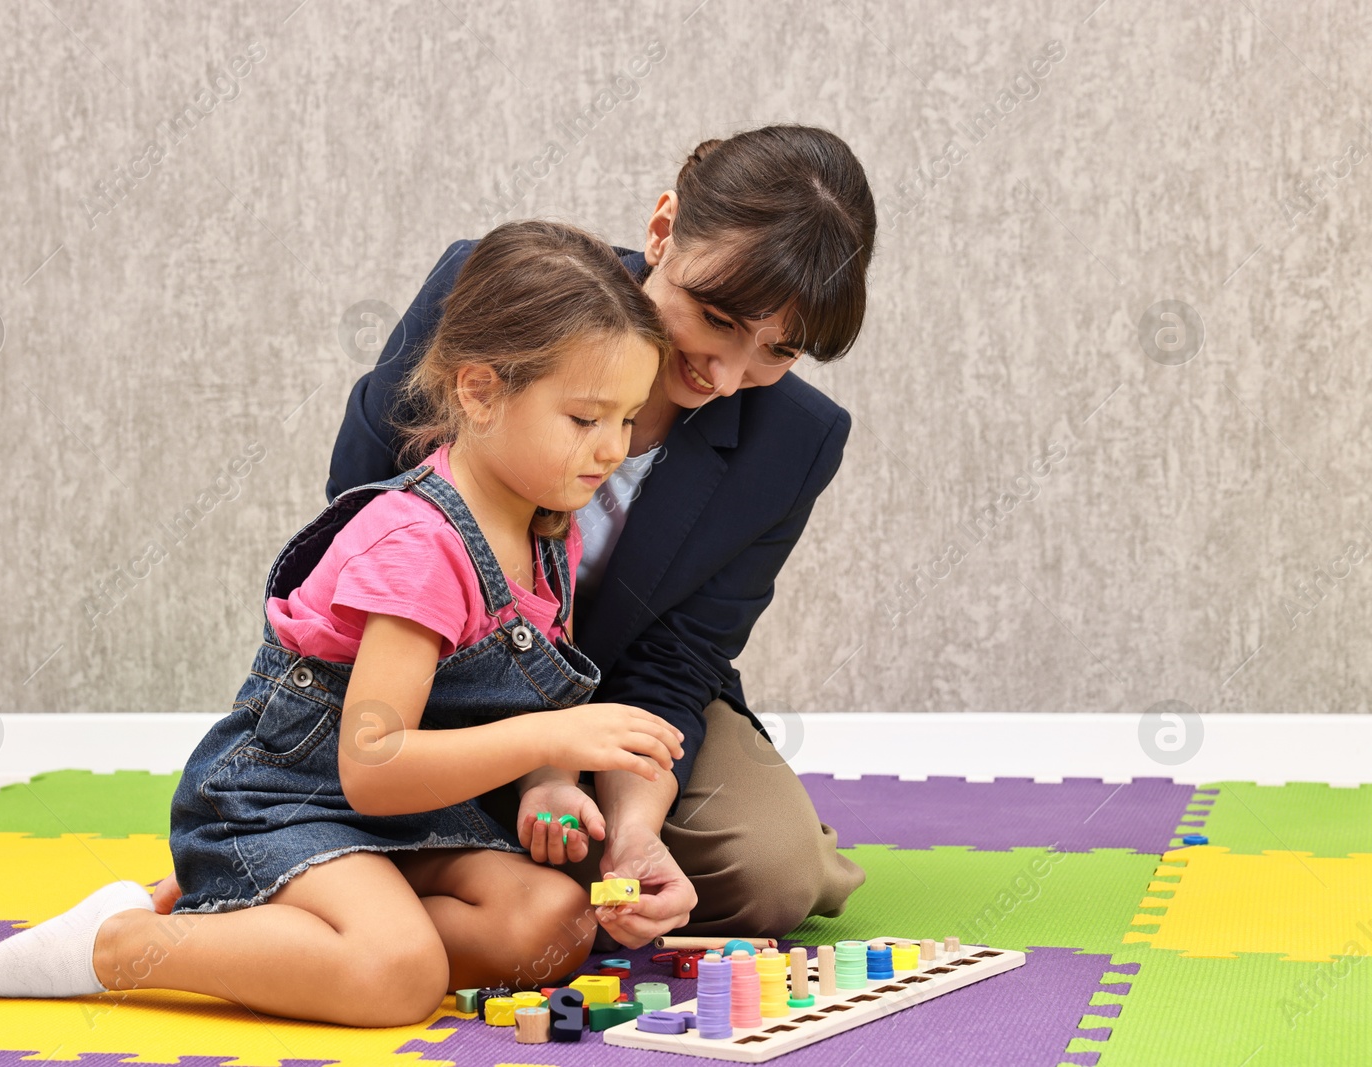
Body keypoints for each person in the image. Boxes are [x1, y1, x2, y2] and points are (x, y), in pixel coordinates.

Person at [152, 123, 876, 945]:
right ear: (663, 228)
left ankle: (358, 871)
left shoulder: (796, 440)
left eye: (777, 353)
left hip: (598, 703)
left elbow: (678, 665)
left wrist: (630, 823)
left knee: (773, 874)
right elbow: (358, 520)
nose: (725, 374)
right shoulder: (499, 294)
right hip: (423, 668)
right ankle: (308, 866)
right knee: (412, 798)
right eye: (714, 317)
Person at [0, 219, 685, 1025]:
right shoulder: (421, 547)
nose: (611, 448)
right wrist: (554, 743)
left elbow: (518, 717)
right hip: (291, 803)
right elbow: (371, 764)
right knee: (399, 979)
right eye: (585, 419)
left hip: (414, 816)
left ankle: (303, 929)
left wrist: (546, 787)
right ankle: (122, 942)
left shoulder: (549, 525)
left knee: (553, 924)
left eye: (627, 419)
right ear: (480, 391)